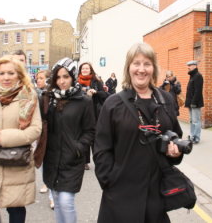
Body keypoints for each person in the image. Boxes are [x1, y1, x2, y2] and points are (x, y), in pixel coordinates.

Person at [94, 42, 184, 223]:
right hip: (121, 195)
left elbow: (176, 136)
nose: (141, 70)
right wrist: (110, 182)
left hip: (156, 195)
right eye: (136, 63)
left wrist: (175, 152)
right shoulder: (113, 104)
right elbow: (101, 149)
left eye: (147, 64)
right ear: (128, 67)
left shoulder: (165, 99)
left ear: (153, 69)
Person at [0, 55, 42, 223]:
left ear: (19, 74)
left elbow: (35, 130)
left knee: (16, 208)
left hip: (16, 161)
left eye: (11, 73)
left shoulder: (28, 96)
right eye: (2, 73)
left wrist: (2, 137)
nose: (6, 77)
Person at [42, 57, 95, 223]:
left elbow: (90, 130)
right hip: (52, 158)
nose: (61, 81)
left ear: (72, 76)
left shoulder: (83, 101)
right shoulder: (49, 99)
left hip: (72, 159)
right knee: (57, 201)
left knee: (66, 201)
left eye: (65, 76)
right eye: (58, 77)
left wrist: (78, 148)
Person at [78, 62, 109, 170]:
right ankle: (85, 162)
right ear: (80, 70)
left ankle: (98, 160)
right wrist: (83, 92)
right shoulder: (76, 82)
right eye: (83, 68)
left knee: (96, 138)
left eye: (87, 68)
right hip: (82, 113)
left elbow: (105, 95)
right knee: (84, 136)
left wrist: (96, 92)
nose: (85, 70)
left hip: (95, 113)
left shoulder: (96, 81)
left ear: (90, 70)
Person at [34, 69, 54, 209]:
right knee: (41, 157)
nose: (38, 80)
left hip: (50, 131)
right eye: (37, 78)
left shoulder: (52, 94)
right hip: (39, 131)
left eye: (41, 78)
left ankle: (52, 196)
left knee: (50, 160)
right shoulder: (34, 93)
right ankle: (45, 182)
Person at [184, 60, 204, 144]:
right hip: (190, 102)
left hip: (195, 103)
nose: (188, 67)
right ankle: (192, 136)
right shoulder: (192, 76)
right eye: (188, 65)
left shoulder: (198, 76)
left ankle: (196, 137)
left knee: (196, 120)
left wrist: (194, 102)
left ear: (195, 66)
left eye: (190, 65)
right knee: (192, 120)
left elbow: (198, 91)